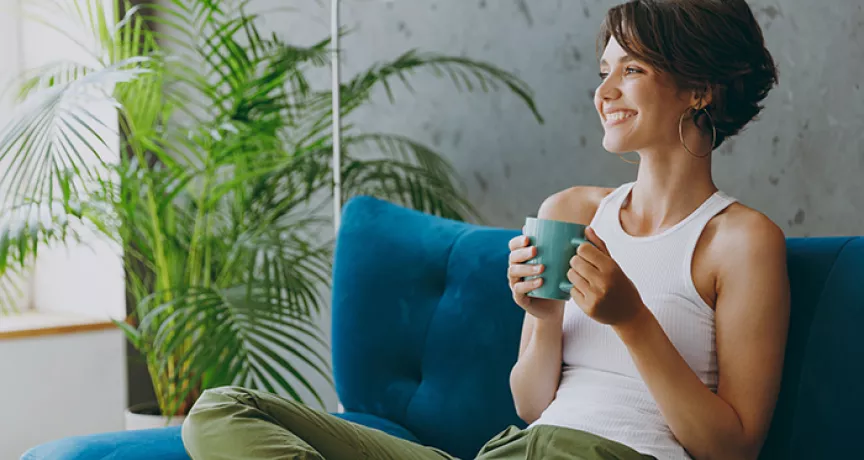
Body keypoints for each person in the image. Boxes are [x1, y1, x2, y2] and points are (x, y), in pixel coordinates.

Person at [181, 0, 790, 459]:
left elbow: (732, 448)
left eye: (631, 70)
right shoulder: (572, 211)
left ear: (699, 89)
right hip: (511, 451)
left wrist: (632, 320)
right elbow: (531, 405)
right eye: (604, 71)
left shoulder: (740, 241)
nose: (604, 92)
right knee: (221, 411)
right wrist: (543, 317)